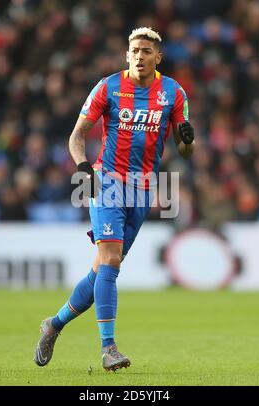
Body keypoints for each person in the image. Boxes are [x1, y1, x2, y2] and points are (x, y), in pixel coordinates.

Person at [34, 27, 195, 371]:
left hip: (143, 189)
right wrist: (82, 169)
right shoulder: (107, 86)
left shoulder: (173, 92)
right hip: (105, 182)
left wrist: (187, 140)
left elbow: (185, 149)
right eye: (135, 50)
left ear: (158, 57)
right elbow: (77, 136)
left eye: (147, 51)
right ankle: (109, 348)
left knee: (105, 269)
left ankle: (54, 324)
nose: (140, 56)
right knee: (109, 260)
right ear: (127, 55)